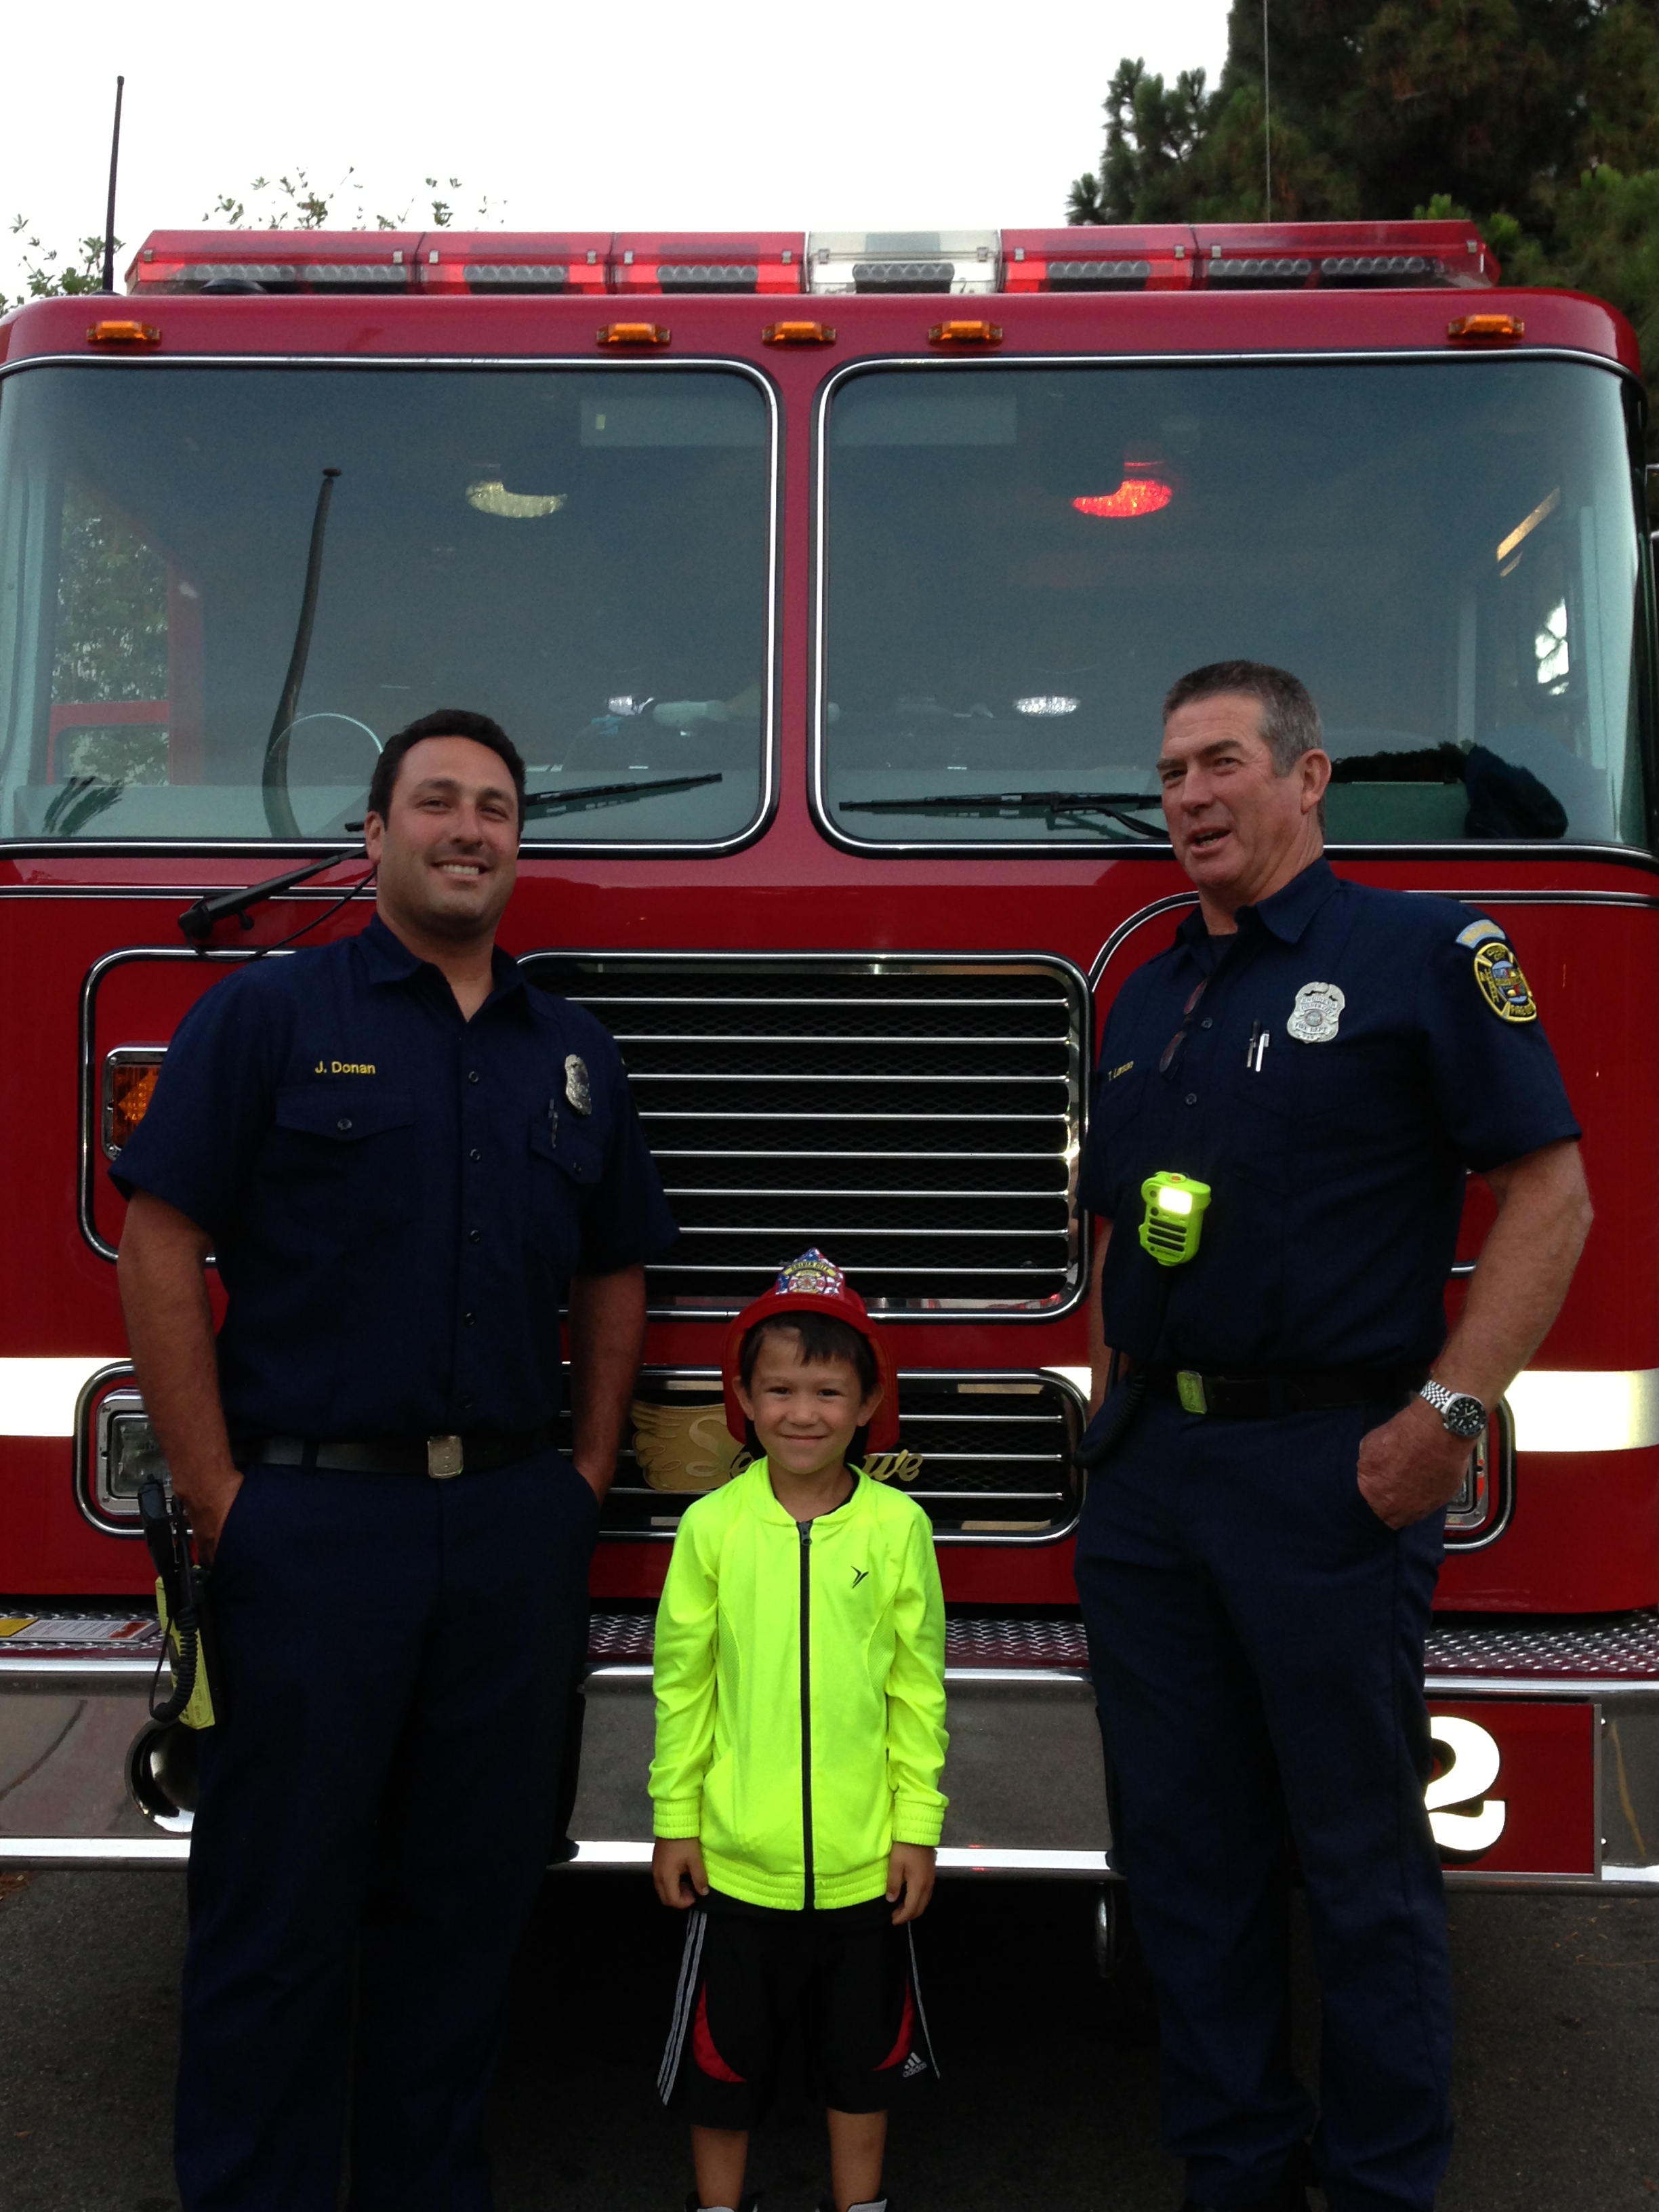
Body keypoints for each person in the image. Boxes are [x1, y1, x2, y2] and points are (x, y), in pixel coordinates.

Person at [113, 708, 679, 2212]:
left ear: (517, 844)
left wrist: (582, 1476)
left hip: (508, 1530)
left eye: (495, 807)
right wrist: (220, 1493)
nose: (467, 830)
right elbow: (159, 1238)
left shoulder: (571, 1053)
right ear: (375, 833)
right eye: (436, 802)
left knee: (466, 1919)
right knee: (275, 1922)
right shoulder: (268, 1015)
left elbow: (617, 1267)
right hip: (312, 1525)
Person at [1074, 663, 1592, 2212]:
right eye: (1172, 773)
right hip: (1155, 1485)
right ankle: (1236, 2170)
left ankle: (1379, 2185)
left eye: (1223, 763)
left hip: (1329, 1476)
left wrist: (1445, 1419)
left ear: (1310, 779)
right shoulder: (1149, 986)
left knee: (1360, 1868)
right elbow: (1120, 1227)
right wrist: (1113, 1413)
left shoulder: (1426, 954)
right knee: (1188, 1864)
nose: (1190, 797)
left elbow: (1552, 1199)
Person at [650, 1250, 947, 2212]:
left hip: (866, 1870)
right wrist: (676, 1821)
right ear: (742, 1399)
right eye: (778, 1389)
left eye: (828, 1391)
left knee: (864, 2069)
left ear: (869, 1403)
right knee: (723, 2071)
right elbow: (683, 1685)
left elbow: (918, 1691)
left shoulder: (899, 1529)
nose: (803, 1413)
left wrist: (916, 1828)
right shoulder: (712, 1528)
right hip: (738, 1870)